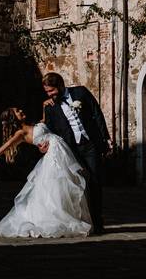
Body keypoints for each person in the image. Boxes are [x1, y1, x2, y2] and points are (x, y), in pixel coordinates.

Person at [0, 107, 91, 238]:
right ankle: (57, 217)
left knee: (66, 183)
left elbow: (44, 121)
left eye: (20, 109)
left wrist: (44, 105)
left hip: (60, 150)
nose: (21, 111)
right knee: (57, 185)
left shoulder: (33, 124)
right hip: (53, 156)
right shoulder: (21, 133)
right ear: (14, 118)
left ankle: (67, 213)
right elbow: (7, 145)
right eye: (17, 111)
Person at [40, 72, 110, 234]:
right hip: (71, 149)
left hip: (90, 144)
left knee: (94, 181)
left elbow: (97, 113)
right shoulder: (50, 107)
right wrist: (46, 144)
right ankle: (83, 222)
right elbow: (50, 130)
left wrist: (104, 138)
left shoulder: (80, 93)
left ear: (60, 86)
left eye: (51, 91)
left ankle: (98, 222)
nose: (50, 94)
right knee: (77, 185)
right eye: (47, 92)